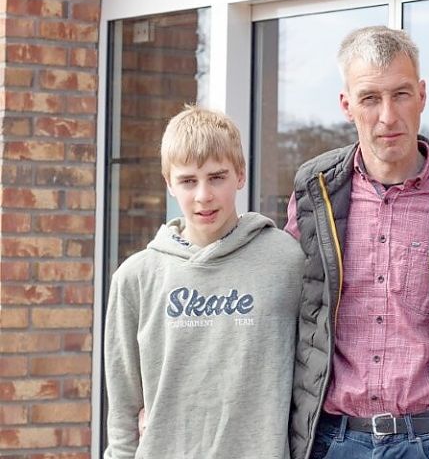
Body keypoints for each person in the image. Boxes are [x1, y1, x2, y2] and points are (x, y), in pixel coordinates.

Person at [285, 26, 429, 459]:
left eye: (401, 94)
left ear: (422, 95)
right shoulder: (314, 195)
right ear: (346, 104)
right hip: (333, 441)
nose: (387, 116)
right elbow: (281, 313)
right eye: (370, 98)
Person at [103, 105, 303, 458]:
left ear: (240, 175)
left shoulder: (286, 261)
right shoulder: (135, 278)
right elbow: (122, 407)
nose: (203, 196)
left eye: (217, 177)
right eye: (188, 181)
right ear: (169, 183)